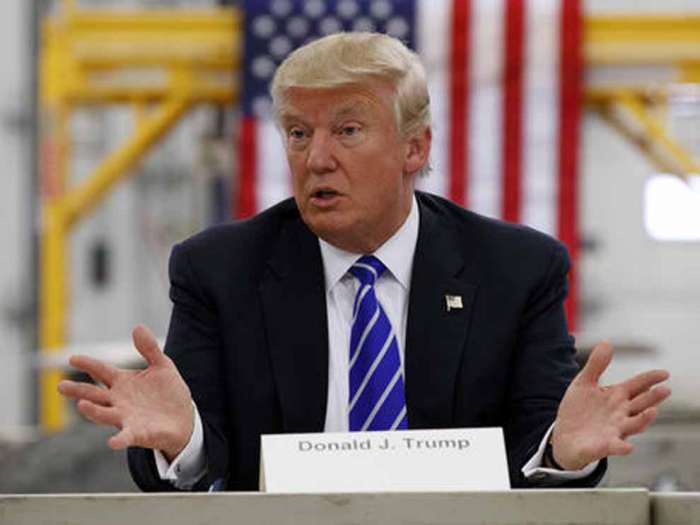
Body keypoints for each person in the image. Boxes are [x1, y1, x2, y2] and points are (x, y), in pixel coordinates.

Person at [58, 32, 671, 492]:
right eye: (298, 134)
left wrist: (564, 453)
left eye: (347, 131)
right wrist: (183, 439)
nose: (316, 158)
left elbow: (540, 447)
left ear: (415, 146)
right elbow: (202, 452)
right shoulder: (219, 271)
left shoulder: (515, 269)